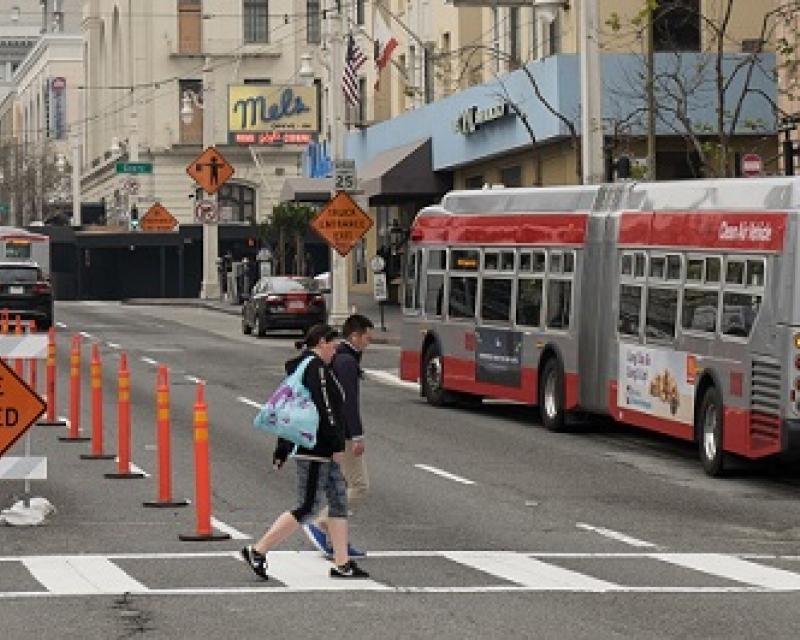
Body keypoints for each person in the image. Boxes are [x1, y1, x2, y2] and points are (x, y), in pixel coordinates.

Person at [241, 323, 369, 580]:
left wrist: (283, 448)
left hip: (316, 446)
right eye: (332, 345)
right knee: (307, 507)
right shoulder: (315, 368)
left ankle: (342, 563)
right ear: (321, 342)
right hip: (316, 449)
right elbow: (325, 409)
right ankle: (258, 550)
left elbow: (291, 408)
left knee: (338, 502)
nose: (335, 350)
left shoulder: (305, 367)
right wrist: (335, 445)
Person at [302, 314, 374, 558]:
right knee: (359, 486)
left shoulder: (341, 357)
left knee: (341, 487)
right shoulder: (346, 362)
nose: (369, 341)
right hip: (341, 433)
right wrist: (356, 435)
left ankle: (336, 540)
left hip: (331, 431)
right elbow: (347, 402)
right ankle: (322, 524)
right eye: (367, 336)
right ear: (355, 335)